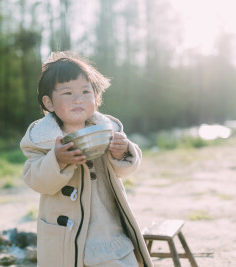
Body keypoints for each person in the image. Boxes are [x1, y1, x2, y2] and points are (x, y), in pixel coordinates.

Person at [20, 51, 153, 267]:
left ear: (96, 97)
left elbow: (125, 169)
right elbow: (35, 179)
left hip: (109, 229)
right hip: (68, 237)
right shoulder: (42, 139)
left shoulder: (105, 130)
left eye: (85, 91)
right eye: (67, 93)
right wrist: (58, 160)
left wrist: (123, 151)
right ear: (49, 103)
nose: (78, 98)